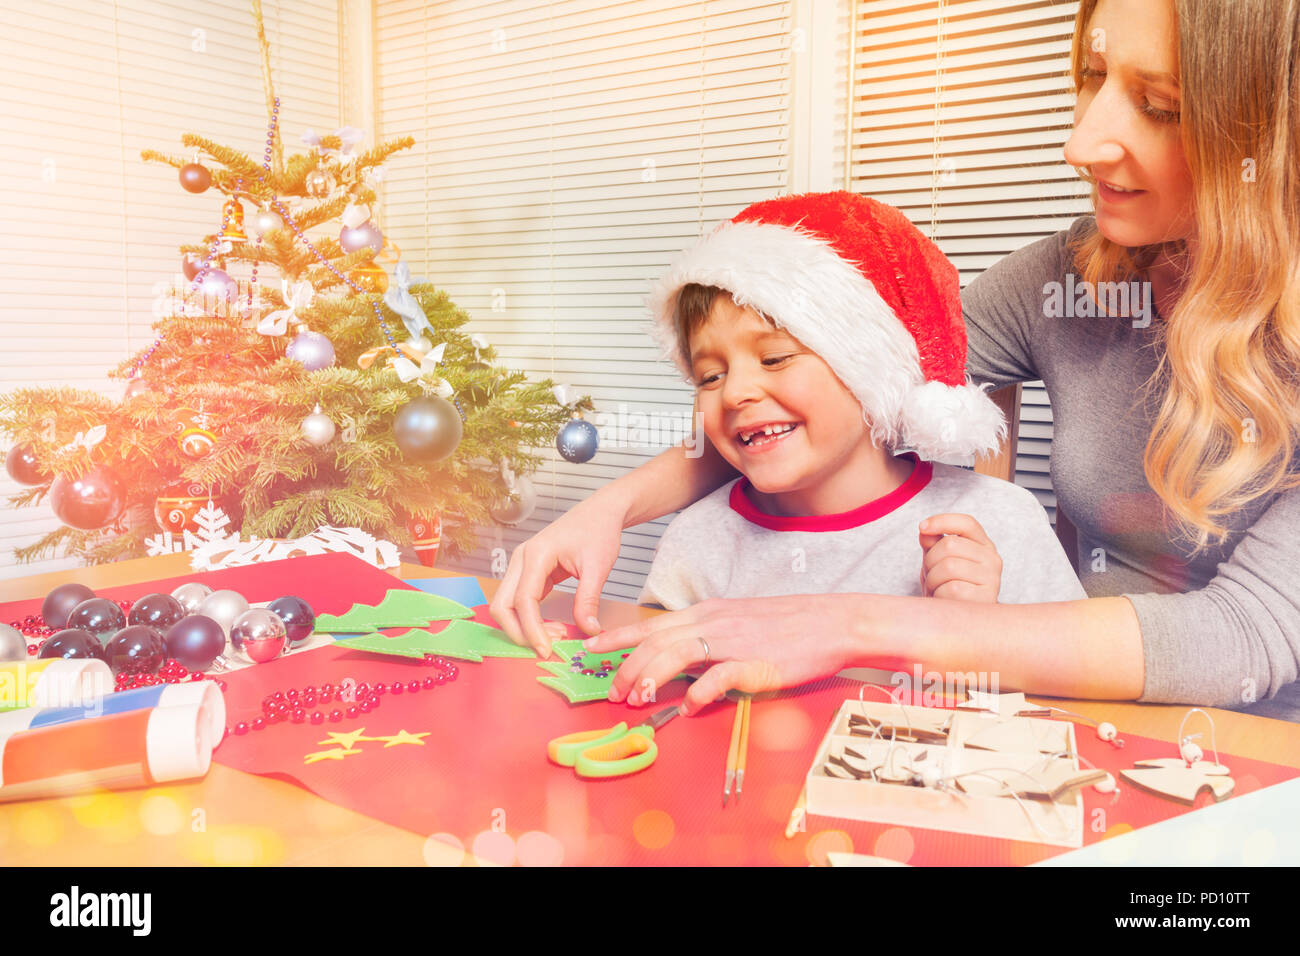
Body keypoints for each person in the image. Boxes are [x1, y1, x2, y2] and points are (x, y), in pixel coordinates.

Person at [491, 0, 1300, 723]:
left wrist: (847, 622)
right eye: (1091, 76)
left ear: (1271, 131)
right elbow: (841, 388)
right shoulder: (1073, 277)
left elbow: (1246, 634)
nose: (1078, 141)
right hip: (1087, 713)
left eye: (1159, 106)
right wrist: (610, 508)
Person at [634, 192, 1085, 614]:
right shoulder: (696, 542)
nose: (734, 393)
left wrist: (978, 631)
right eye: (710, 376)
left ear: (869, 369)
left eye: (774, 358)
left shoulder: (1000, 522)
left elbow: (1072, 687)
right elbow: (651, 683)